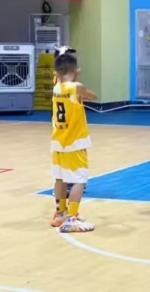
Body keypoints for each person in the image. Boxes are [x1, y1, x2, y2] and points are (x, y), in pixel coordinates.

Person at [50, 52, 97, 233]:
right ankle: (71, 218)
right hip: (74, 141)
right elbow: (93, 96)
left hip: (57, 140)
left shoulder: (56, 86)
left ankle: (60, 213)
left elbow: (62, 79)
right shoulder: (77, 87)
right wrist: (78, 79)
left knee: (60, 178)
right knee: (79, 180)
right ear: (75, 70)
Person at [52, 45, 86, 198]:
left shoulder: (62, 82)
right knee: (73, 170)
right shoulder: (64, 83)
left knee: (63, 168)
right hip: (68, 131)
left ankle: (61, 206)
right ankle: (68, 190)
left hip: (64, 128)